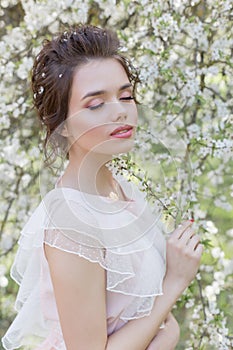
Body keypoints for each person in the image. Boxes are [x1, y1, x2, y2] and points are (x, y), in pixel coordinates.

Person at [2, 24, 203, 350]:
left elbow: (140, 312)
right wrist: (176, 281)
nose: (121, 110)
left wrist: (168, 330)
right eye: (96, 104)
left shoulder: (119, 188)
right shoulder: (71, 225)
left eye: (126, 96)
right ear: (61, 126)